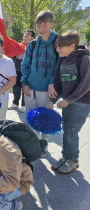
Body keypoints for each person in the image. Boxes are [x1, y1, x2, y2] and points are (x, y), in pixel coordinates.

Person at [49, 31, 90, 174]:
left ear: (72, 45)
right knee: (67, 131)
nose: (57, 50)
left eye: (61, 47)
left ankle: (73, 160)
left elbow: (86, 84)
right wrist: (52, 101)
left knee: (71, 132)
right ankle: (66, 157)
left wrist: (69, 100)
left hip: (82, 104)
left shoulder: (84, 59)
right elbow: (57, 84)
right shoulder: (61, 61)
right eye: (57, 47)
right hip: (67, 103)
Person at [21, 10, 59, 157]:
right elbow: (25, 65)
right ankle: (31, 141)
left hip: (47, 88)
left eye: (44, 25)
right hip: (30, 87)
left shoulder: (57, 42)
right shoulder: (33, 44)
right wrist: (24, 81)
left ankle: (44, 142)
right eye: (38, 26)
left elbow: (59, 66)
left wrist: (52, 83)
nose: (41, 29)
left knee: (46, 117)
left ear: (51, 24)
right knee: (30, 116)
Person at [8, 29, 35, 113]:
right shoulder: (18, 45)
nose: (25, 35)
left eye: (28, 34)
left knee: (25, 87)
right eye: (25, 33)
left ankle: (24, 104)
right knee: (15, 86)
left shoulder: (33, 46)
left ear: (32, 37)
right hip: (16, 69)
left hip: (26, 70)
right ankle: (15, 103)